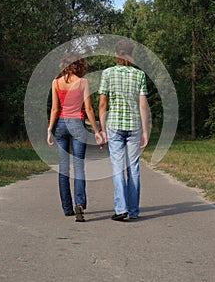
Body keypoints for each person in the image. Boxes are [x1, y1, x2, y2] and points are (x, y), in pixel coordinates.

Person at [47, 53, 102, 222]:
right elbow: (89, 109)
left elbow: (55, 109)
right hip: (77, 124)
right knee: (78, 167)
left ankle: (67, 208)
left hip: (61, 125)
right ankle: (79, 204)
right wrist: (97, 131)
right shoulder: (83, 82)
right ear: (79, 65)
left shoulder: (56, 82)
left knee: (63, 168)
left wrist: (50, 129)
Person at [98, 39, 148, 221]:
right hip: (134, 125)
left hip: (115, 125)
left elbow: (103, 103)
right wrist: (145, 130)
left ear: (116, 54)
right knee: (133, 167)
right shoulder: (139, 75)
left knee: (118, 167)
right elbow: (143, 104)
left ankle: (121, 209)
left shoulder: (108, 73)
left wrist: (102, 130)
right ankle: (134, 211)